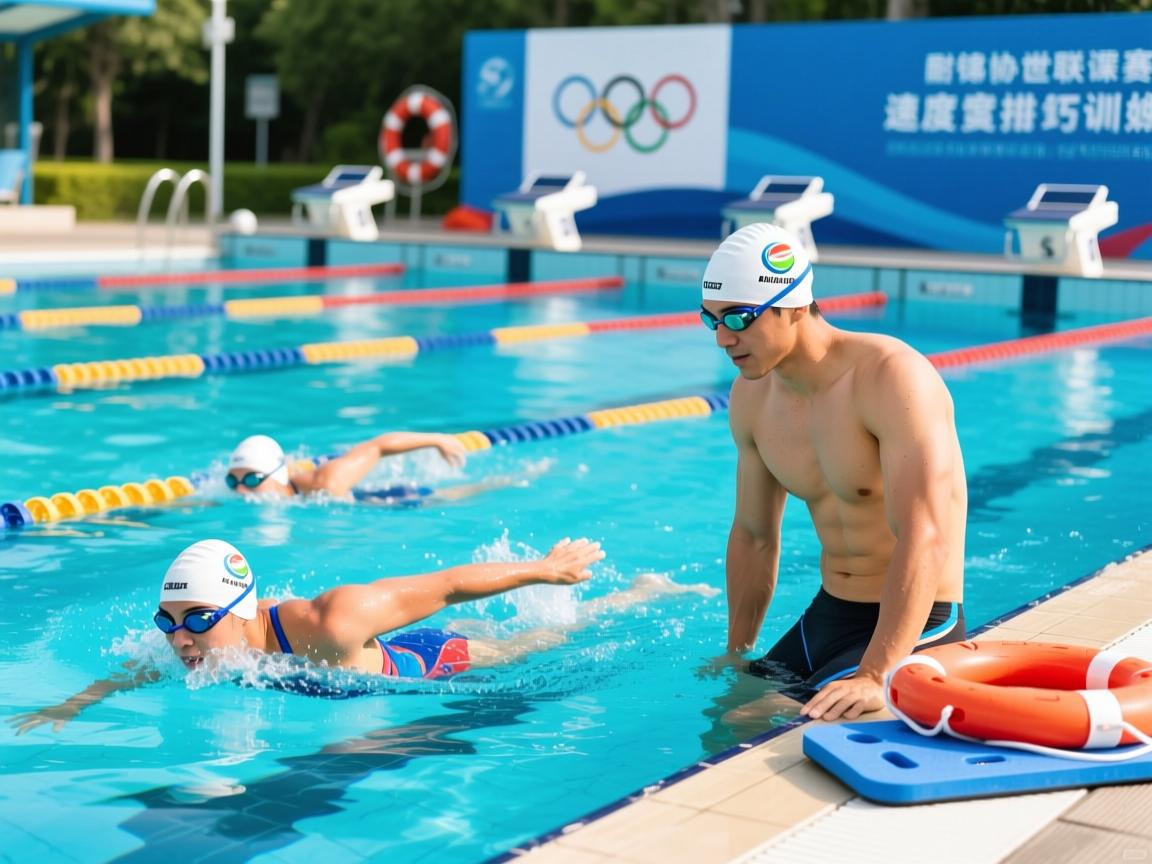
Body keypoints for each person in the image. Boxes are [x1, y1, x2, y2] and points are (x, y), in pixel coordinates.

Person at [12, 538, 717, 733]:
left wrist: (545, 570)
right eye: (168, 623)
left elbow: (442, 584)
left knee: (540, 646)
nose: (179, 640)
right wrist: (71, 707)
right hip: (354, 675)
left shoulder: (330, 619)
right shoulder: (193, 649)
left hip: (422, 663)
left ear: (240, 608)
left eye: (196, 620)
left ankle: (635, 595)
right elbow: (138, 672)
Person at [700, 223, 967, 724]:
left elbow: (925, 534)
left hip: (920, 620)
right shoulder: (752, 396)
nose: (722, 338)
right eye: (711, 319)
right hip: (830, 612)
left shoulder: (891, 377)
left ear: (796, 305)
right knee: (725, 713)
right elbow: (755, 536)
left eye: (738, 317)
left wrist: (876, 673)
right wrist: (738, 648)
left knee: (751, 726)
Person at [225, 432, 523, 505]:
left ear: (277, 475)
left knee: (454, 495)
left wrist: (437, 440)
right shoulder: (255, 495)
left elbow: (377, 446)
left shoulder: (326, 482)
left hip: (393, 500)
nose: (241, 489)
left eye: (252, 479)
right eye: (233, 481)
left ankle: (513, 479)